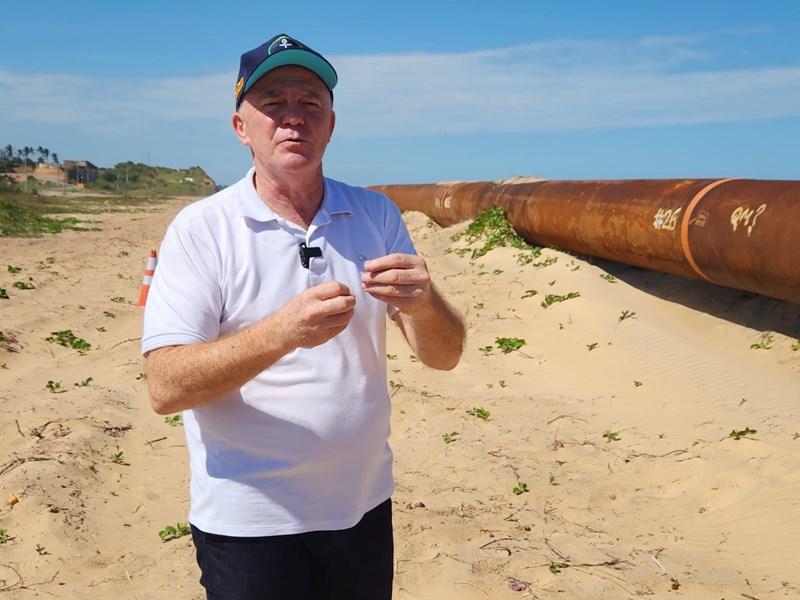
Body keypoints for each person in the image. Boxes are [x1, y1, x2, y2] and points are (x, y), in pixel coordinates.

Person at [142, 33, 465, 600]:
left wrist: (424, 301)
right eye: (274, 104)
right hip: (249, 521)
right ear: (241, 126)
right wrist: (281, 333)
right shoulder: (201, 230)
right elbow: (166, 386)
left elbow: (443, 357)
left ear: (331, 124)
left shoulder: (375, 214)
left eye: (310, 103)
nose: (294, 118)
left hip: (362, 507)